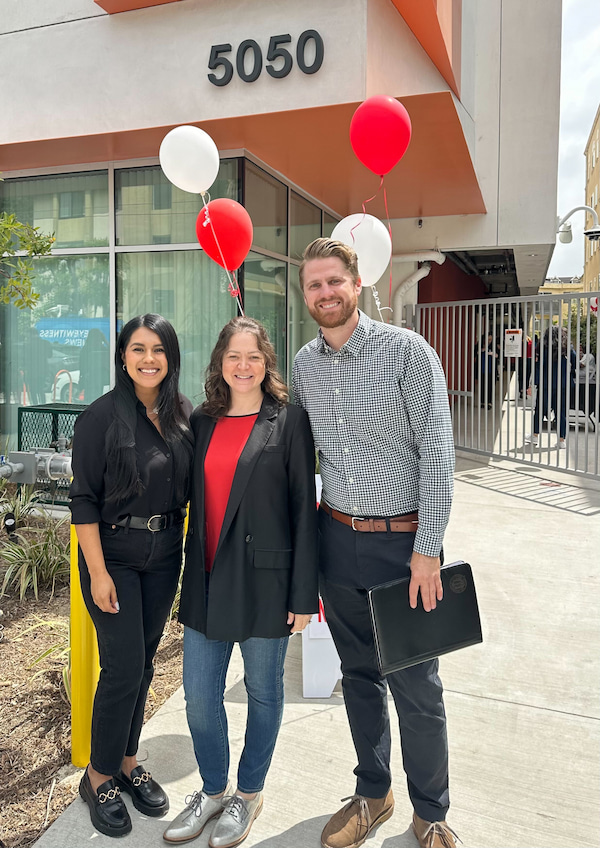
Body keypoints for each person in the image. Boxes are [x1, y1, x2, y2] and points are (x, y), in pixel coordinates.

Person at [292, 239, 457, 848]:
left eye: (334, 281)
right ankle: (373, 792)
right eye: (314, 285)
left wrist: (428, 548)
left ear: (356, 283)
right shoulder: (304, 366)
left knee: (417, 686)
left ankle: (431, 813)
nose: (325, 293)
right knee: (359, 675)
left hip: (402, 546)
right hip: (336, 540)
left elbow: (437, 455)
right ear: (304, 294)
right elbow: (296, 456)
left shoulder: (406, 351)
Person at [164, 316, 318, 848]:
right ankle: (212, 790)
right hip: (208, 578)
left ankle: (248, 794)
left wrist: (304, 595)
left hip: (266, 584)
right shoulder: (202, 421)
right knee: (199, 698)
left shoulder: (289, 421)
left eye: (253, 356)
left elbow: (303, 510)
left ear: (266, 362)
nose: (244, 365)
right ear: (220, 363)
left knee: (263, 693)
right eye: (234, 356)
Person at [70, 314, 193, 838]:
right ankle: (98, 775)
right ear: (123, 357)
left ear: (171, 357)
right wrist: (97, 573)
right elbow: (83, 501)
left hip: (164, 555)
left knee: (142, 665)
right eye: (138, 348)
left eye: (158, 349)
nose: (149, 358)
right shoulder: (100, 417)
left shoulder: (183, 414)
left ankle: (126, 761)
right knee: (122, 667)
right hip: (113, 555)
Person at [526, 327, 577, 449]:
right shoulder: (567, 348)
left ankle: (535, 435)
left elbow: (539, 366)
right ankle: (561, 440)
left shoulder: (543, 347)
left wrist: (533, 384)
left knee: (540, 409)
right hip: (563, 384)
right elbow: (575, 363)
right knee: (561, 412)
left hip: (546, 384)